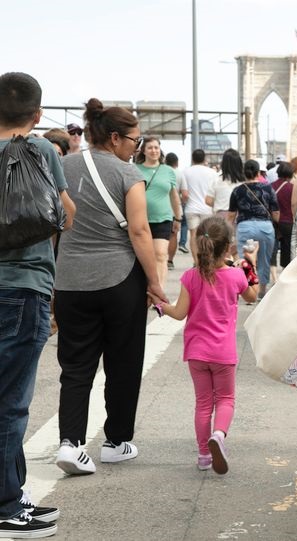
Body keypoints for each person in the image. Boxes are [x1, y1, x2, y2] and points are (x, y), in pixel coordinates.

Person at [54, 98, 167, 476]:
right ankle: (116, 442)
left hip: (68, 280)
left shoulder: (62, 167)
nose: (136, 148)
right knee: (123, 362)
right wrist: (154, 281)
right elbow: (139, 230)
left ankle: (70, 443)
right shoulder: (127, 174)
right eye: (134, 141)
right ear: (115, 138)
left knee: (75, 366)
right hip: (120, 281)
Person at [0, 71, 75, 539]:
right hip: (23, 286)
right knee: (10, 403)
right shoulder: (42, 149)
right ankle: (7, 506)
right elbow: (65, 213)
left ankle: (15, 490)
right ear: (38, 114)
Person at [153, 216, 258, 474]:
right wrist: (250, 263)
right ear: (228, 247)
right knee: (225, 399)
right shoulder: (235, 276)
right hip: (223, 353)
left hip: (197, 352)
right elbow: (252, 297)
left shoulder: (190, 277)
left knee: (202, 403)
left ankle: (203, 455)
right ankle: (219, 435)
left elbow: (179, 313)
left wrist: (159, 306)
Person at [228, 160, 279, 299]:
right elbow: (275, 213)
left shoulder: (237, 190)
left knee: (245, 260)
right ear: (258, 173)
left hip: (245, 227)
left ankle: (247, 292)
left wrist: (230, 234)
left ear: (244, 173)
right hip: (265, 227)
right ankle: (262, 290)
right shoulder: (268, 188)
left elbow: (231, 215)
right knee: (264, 259)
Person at [135, 136, 181, 284]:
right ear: (143, 150)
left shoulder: (168, 171)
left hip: (163, 218)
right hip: (140, 219)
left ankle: (159, 293)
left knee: (161, 255)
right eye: (150, 148)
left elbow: (174, 196)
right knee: (142, 257)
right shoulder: (135, 169)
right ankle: (145, 289)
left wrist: (178, 217)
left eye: (156, 147)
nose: (154, 150)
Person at [183, 149, 216, 265]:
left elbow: (184, 192)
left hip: (191, 208)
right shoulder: (212, 172)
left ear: (192, 159)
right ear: (204, 159)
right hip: (207, 209)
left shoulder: (186, 172)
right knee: (207, 235)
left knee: (193, 234)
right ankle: (206, 260)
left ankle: (196, 262)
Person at [206, 148, 244, 234]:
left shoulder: (217, 179)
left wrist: (219, 202)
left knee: (221, 244)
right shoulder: (244, 182)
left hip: (220, 218)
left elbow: (208, 200)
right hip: (240, 217)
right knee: (237, 245)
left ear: (224, 163)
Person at [269, 162, 297, 268]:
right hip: (288, 221)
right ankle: (285, 270)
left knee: (273, 248)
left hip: (272, 221)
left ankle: (273, 272)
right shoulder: (292, 188)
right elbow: (294, 204)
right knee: (287, 249)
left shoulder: (270, 186)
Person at [165, 152, 187, 268]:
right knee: (173, 235)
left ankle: (161, 259)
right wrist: (181, 203)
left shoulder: (161, 171)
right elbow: (185, 194)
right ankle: (170, 261)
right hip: (175, 208)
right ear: (177, 162)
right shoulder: (179, 174)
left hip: (162, 208)